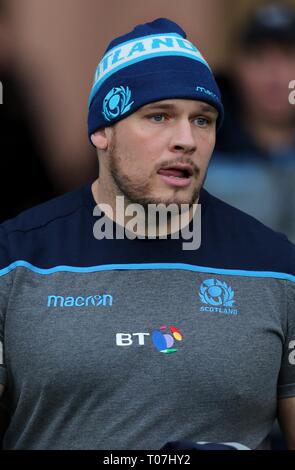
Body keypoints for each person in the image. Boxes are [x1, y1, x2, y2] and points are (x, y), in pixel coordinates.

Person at [0, 18, 294, 451]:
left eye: (203, 120)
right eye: (159, 116)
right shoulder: (15, 258)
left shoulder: (278, 268)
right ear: (102, 130)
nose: (186, 140)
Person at [205, 2, 295, 242]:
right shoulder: (199, 145)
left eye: (288, 55)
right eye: (258, 56)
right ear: (235, 67)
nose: (274, 73)